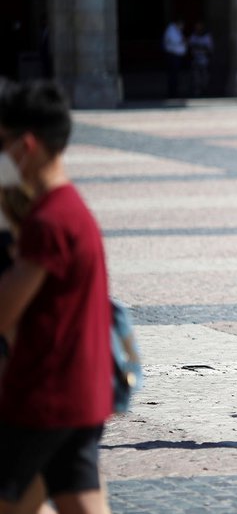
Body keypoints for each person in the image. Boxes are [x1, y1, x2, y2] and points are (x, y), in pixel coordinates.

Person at [0, 81, 113, 514]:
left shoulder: (49, 221)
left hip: (41, 398)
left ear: (26, 146)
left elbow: (5, 309)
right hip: (81, 395)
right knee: (80, 502)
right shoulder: (71, 210)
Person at [188, 21, 214, 97]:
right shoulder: (193, 36)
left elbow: (210, 49)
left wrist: (201, 48)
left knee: (205, 78)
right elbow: (190, 47)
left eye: (200, 27)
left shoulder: (207, 37)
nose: (198, 28)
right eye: (197, 27)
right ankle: (197, 93)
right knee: (196, 78)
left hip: (205, 61)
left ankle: (205, 92)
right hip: (195, 61)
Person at [162, 19, 186, 98]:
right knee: (173, 75)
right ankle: (172, 93)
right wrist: (183, 41)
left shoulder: (177, 30)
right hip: (172, 56)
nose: (182, 27)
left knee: (175, 75)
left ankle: (174, 92)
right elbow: (175, 41)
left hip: (176, 56)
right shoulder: (171, 30)